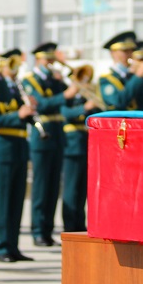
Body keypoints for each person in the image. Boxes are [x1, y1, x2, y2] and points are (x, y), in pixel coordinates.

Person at [20, 42, 77, 247]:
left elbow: (68, 103)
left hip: (58, 135)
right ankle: (38, 229)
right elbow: (40, 104)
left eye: (52, 59)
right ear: (38, 59)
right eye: (47, 59)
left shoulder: (54, 80)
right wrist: (64, 94)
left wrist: (67, 85)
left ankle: (48, 230)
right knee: (42, 185)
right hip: (41, 136)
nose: (51, 63)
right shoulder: (30, 80)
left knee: (53, 187)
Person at [0, 48, 35, 262]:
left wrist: (31, 109)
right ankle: (2, 246)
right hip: (2, 148)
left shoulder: (16, 87)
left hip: (19, 147)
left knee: (16, 200)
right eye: (10, 65)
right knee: (2, 201)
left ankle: (13, 246)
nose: (14, 70)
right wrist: (18, 114)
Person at [60, 62, 103, 232]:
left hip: (86, 143)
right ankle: (70, 225)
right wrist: (84, 107)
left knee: (82, 188)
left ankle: (79, 222)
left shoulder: (86, 95)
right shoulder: (66, 95)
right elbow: (65, 113)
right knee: (71, 188)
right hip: (71, 143)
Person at [99, 31, 143, 112]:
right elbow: (119, 102)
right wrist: (138, 75)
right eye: (124, 51)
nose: (129, 54)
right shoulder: (106, 79)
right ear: (113, 53)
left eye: (131, 51)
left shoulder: (137, 78)